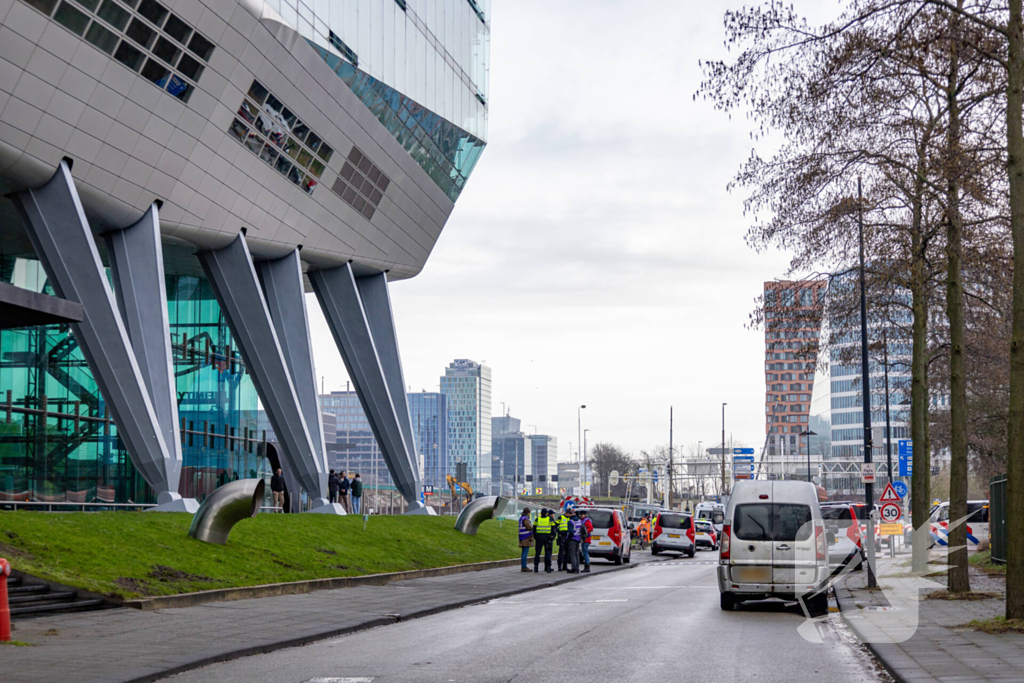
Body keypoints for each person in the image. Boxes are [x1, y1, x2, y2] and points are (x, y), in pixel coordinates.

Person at [533, 509, 555, 573]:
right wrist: (552, 537)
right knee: (548, 552)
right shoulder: (549, 519)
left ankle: (536, 567)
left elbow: (534, 529)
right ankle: (548, 567)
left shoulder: (537, 519)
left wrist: (535, 537)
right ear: (546, 513)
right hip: (547, 538)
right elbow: (553, 528)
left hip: (539, 538)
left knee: (537, 552)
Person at [518, 508, 535, 572]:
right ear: (528, 512)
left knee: (523, 552)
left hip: (522, 537)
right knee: (525, 552)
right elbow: (529, 527)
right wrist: (533, 527)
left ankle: (523, 566)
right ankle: (524, 567)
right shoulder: (525, 519)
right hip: (526, 537)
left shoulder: (521, 518)